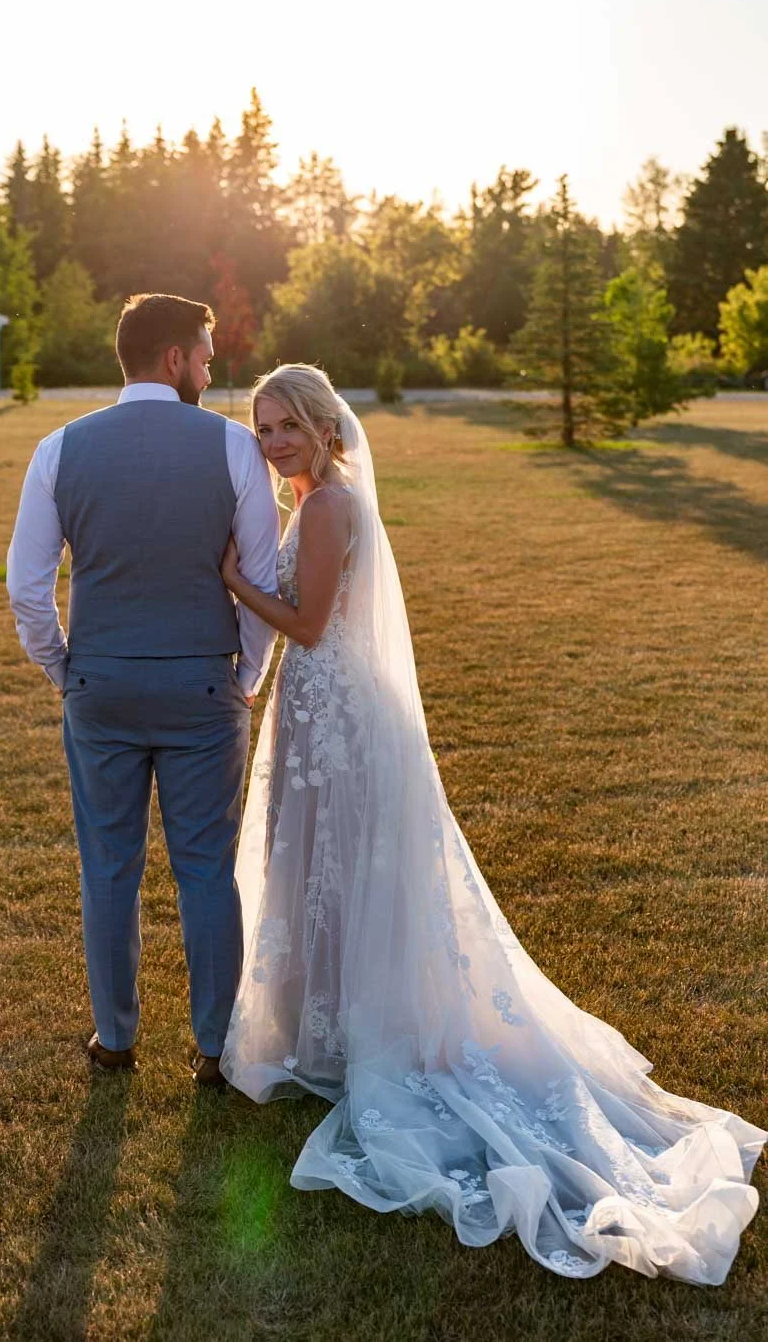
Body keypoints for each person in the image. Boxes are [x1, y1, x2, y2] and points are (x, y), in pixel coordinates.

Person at [218, 362, 765, 1283]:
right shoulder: (312, 501)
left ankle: (361, 1037)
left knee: (345, 870)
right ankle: (327, 1028)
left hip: (340, 721)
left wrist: (234, 580)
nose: (273, 443)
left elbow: (307, 626)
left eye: (287, 428)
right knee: (322, 872)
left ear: (323, 429)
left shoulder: (328, 506)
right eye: (263, 428)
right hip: (319, 715)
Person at [6, 294, 279, 1086]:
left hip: (100, 684)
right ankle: (215, 1047)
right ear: (173, 358)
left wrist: (64, 669)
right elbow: (259, 581)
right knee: (205, 870)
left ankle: (116, 1037)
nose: (210, 372)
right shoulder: (234, 447)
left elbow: (27, 587)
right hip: (202, 685)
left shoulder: (59, 447)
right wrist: (245, 676)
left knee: (108, 866)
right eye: (205, 358)